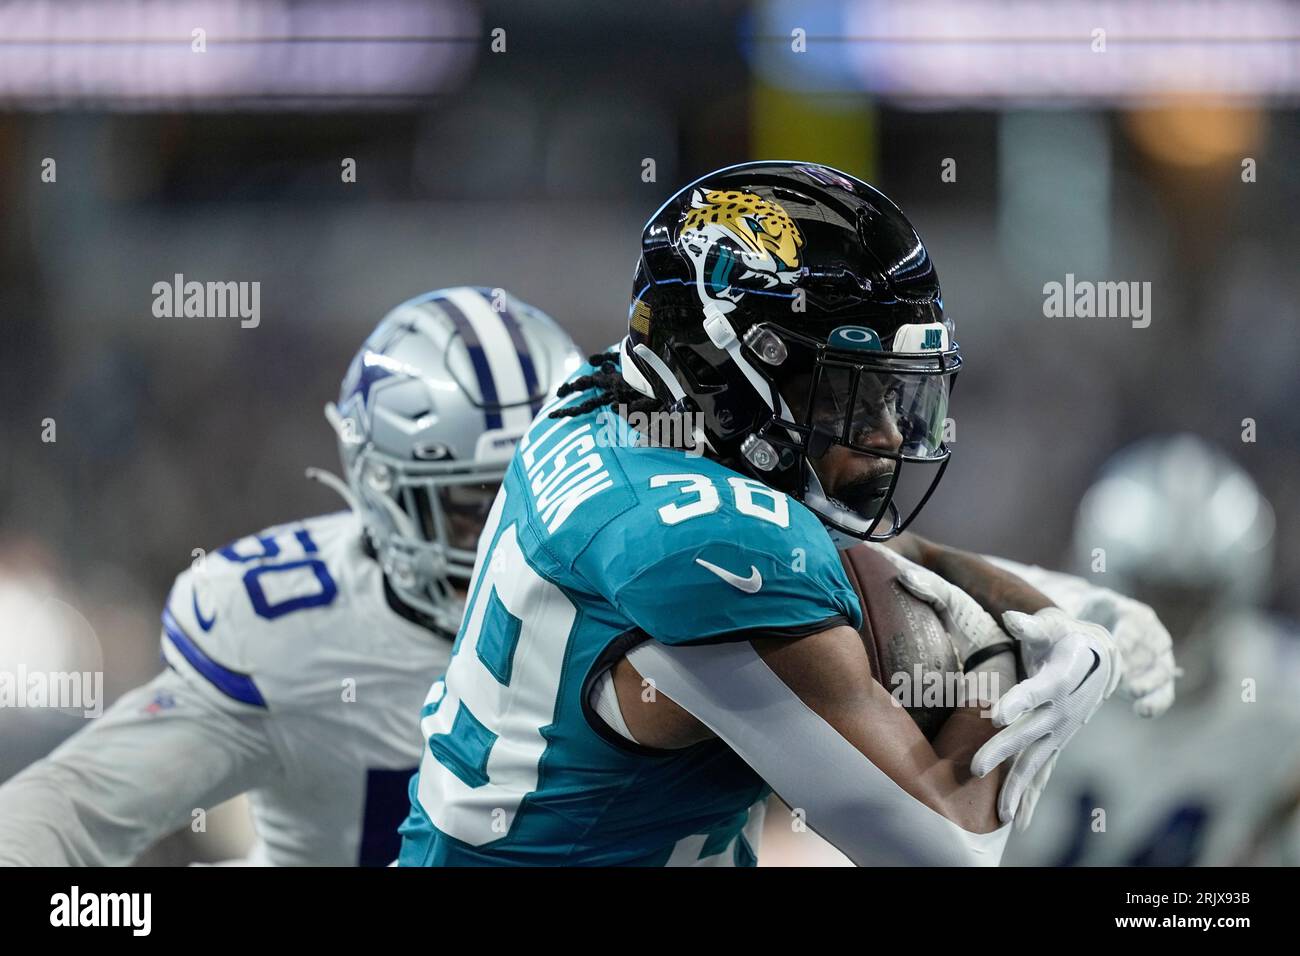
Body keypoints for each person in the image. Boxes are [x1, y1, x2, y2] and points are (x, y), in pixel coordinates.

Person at [398, 163, 1165, 866]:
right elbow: (944, 852)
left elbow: (852, 545)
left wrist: (1061, 612)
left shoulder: (614, 400)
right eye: (851, 395)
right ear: (729, 365)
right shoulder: (710, 548)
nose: (890, 435)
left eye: (892, 396)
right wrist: (1001, 673)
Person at [0, 287, 581, 866]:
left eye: (545, 499)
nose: (515, 544)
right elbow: (72, 808)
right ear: (384, 493)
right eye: (473, 510)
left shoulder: (649, 605)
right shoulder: (292, 632)